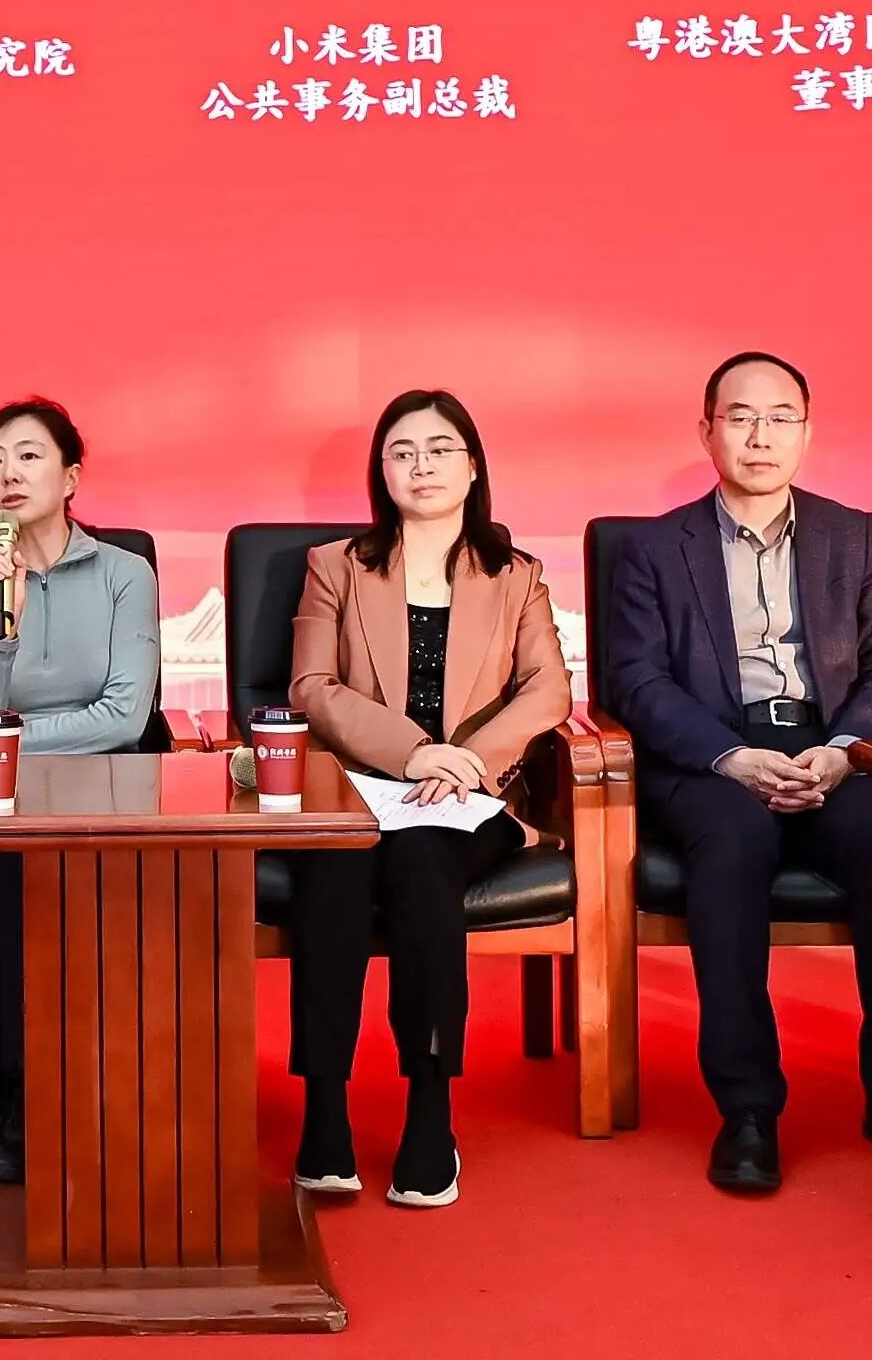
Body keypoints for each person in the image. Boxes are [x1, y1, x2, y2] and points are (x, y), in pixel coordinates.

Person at [593, 352, 872, 1194]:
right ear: (707, 430)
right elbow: (637, 681)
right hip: (709, 757)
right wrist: (731, 756)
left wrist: (843, 749)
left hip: (830, 748)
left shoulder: (853, 534)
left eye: (779, 418)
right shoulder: (654, 548)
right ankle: (748, 1108)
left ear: (806, 432)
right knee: (732, 843)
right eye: (740, 417)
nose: (759, 436)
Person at [284, 390, 570, 1209]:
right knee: (335, 867)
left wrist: (466, 762)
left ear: (472, 466)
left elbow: (548, 688)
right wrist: (412, 751)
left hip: (467, 797)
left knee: (421, 862)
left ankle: (430, 1111)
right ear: (382, 471)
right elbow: (312, 684)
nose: (422, 465)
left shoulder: (515, 574)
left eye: (441, 449)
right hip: (354, 786)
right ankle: (325, 1109)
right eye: (402, 451)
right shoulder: (336, 565)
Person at [0, 398, 160, 1194]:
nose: (8, 473)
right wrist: (1, 629)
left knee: (21, 871)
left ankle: (30, 1092)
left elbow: (124, 716)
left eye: (28, 455)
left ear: (71, 476)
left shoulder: (125, 574)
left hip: (99, 793)